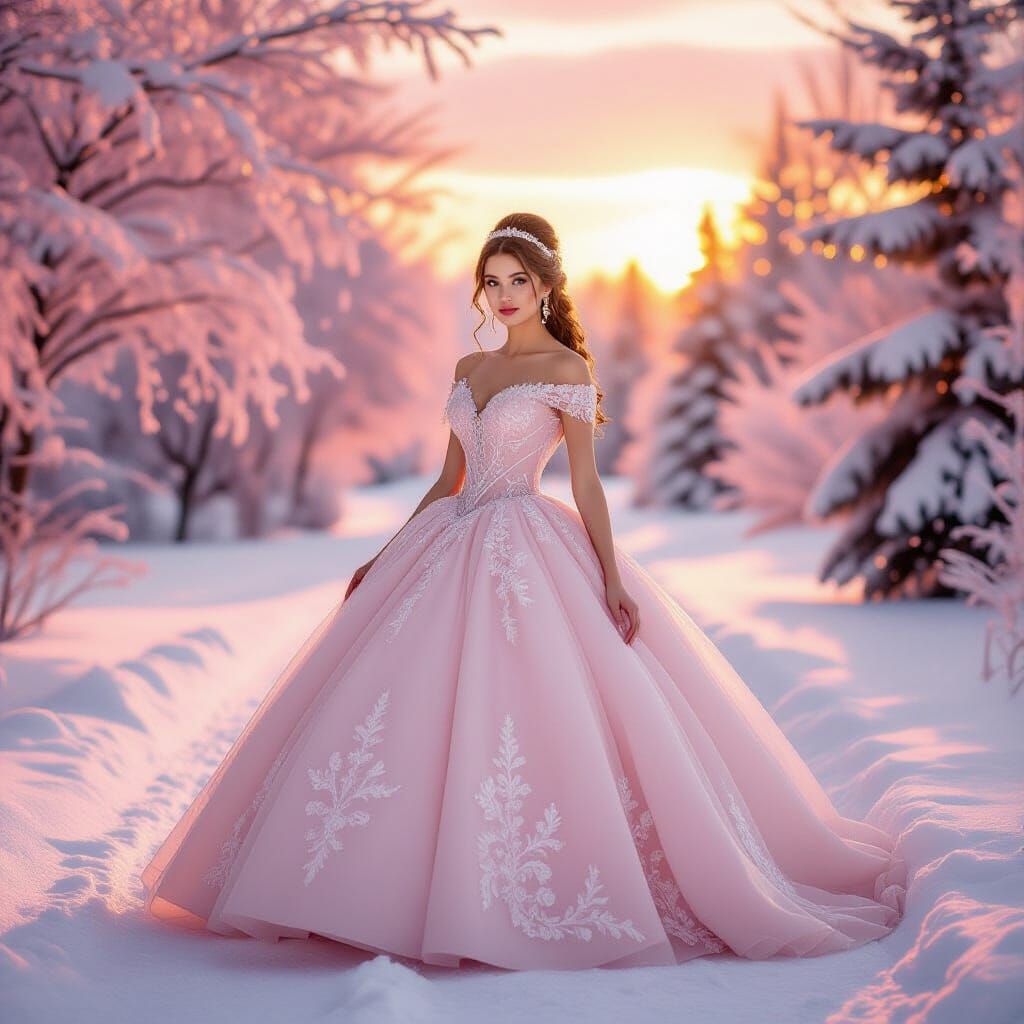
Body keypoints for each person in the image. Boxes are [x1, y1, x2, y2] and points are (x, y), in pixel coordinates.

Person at [141, 213, 906, 971]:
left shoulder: (568, 372)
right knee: (394, 712)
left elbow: (588, 485)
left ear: (545, 287)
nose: (503, 295)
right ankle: (362, 889)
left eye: (518, 281)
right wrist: (385, 555)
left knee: (528, 710)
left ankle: (496, 898)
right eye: (492, 282)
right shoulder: (468, 372)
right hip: (447, 542)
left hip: (529, 544)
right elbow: (448, 481)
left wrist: (610, 577)